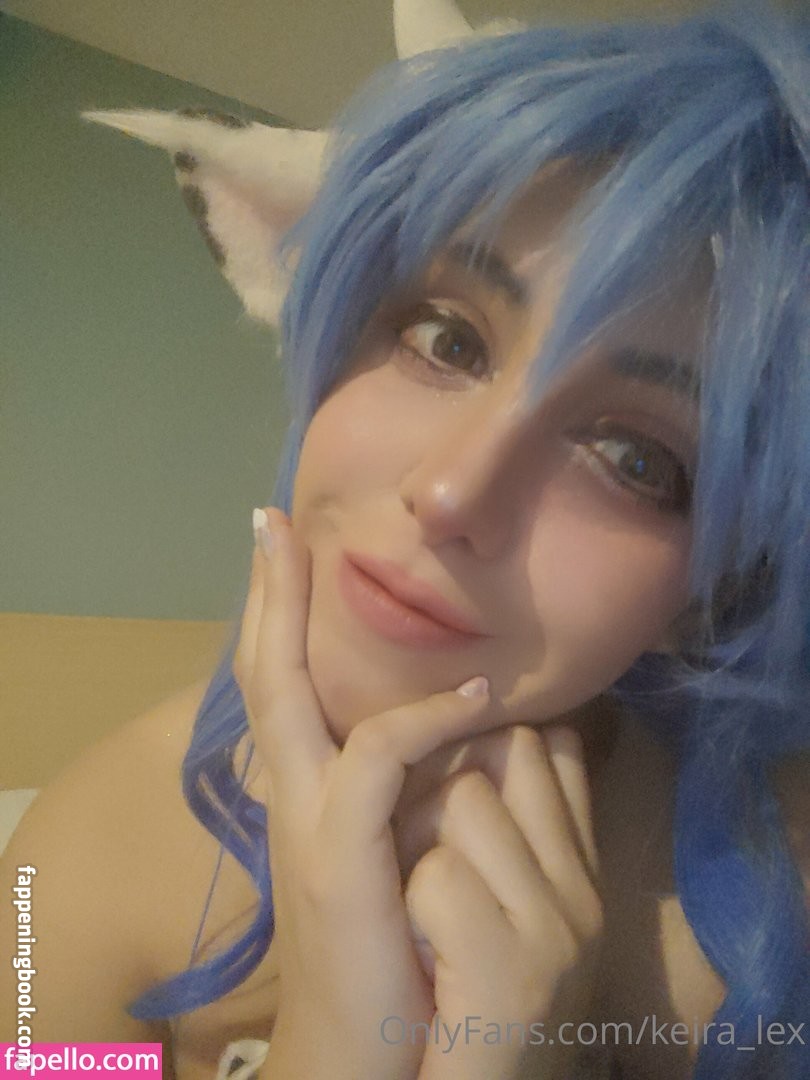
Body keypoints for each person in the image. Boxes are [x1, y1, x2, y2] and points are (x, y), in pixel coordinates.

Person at [1, 2, 808, 1078]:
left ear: (712, 577)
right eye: (446, 339)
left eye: (634, 457)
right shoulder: (61, 871)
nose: (449, 491)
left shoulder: (778, 868)